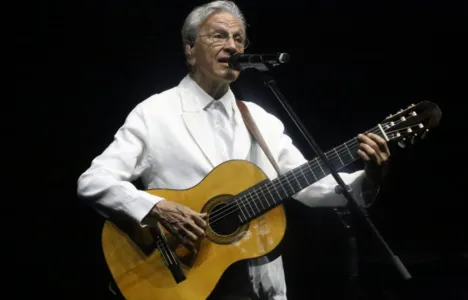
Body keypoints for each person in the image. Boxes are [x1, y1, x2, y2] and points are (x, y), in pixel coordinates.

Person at [77, 1, 390, 299]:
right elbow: (94, 181)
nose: (232, 46)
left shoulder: (262, 120)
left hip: (260, 287)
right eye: (219, 36)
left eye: (239, 39)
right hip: (182, 281)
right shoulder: (155, 113)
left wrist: (369, 178)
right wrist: (156, 208)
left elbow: (312, 186)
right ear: (189, 48)